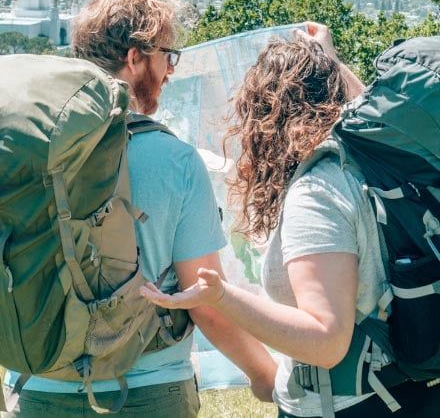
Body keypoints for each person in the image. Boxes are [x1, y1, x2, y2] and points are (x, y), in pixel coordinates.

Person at [140, 23, 440, 417]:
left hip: (350, 405)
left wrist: (222, 296)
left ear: (265, 117)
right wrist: (328, 61)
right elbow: (361, 100)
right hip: (405, 393)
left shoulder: (320, 192)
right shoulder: (377, 166)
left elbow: (326, 341)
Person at [2, 0, 277, 417]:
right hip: (148, 388)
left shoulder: (23, 149)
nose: (170, 71)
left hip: (38, 382)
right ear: (134, 59)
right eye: (168, 55)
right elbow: (203, 299)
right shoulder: (175, 160)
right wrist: (265, 375)